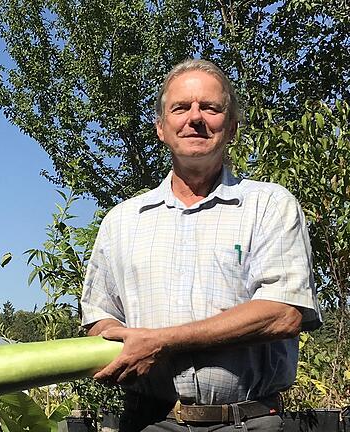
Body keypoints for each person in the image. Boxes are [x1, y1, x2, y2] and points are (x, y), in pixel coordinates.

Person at [81, 59, 321, 432]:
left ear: (232, 127)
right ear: (161, 128)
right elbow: (99, 316)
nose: (195, 118)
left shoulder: (269, 205)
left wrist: (160, 342)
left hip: (247, 421)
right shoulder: (123, 221)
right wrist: (118, 338)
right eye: (180, 108)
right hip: (149, 420)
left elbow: (283, 313)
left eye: (210, 107)